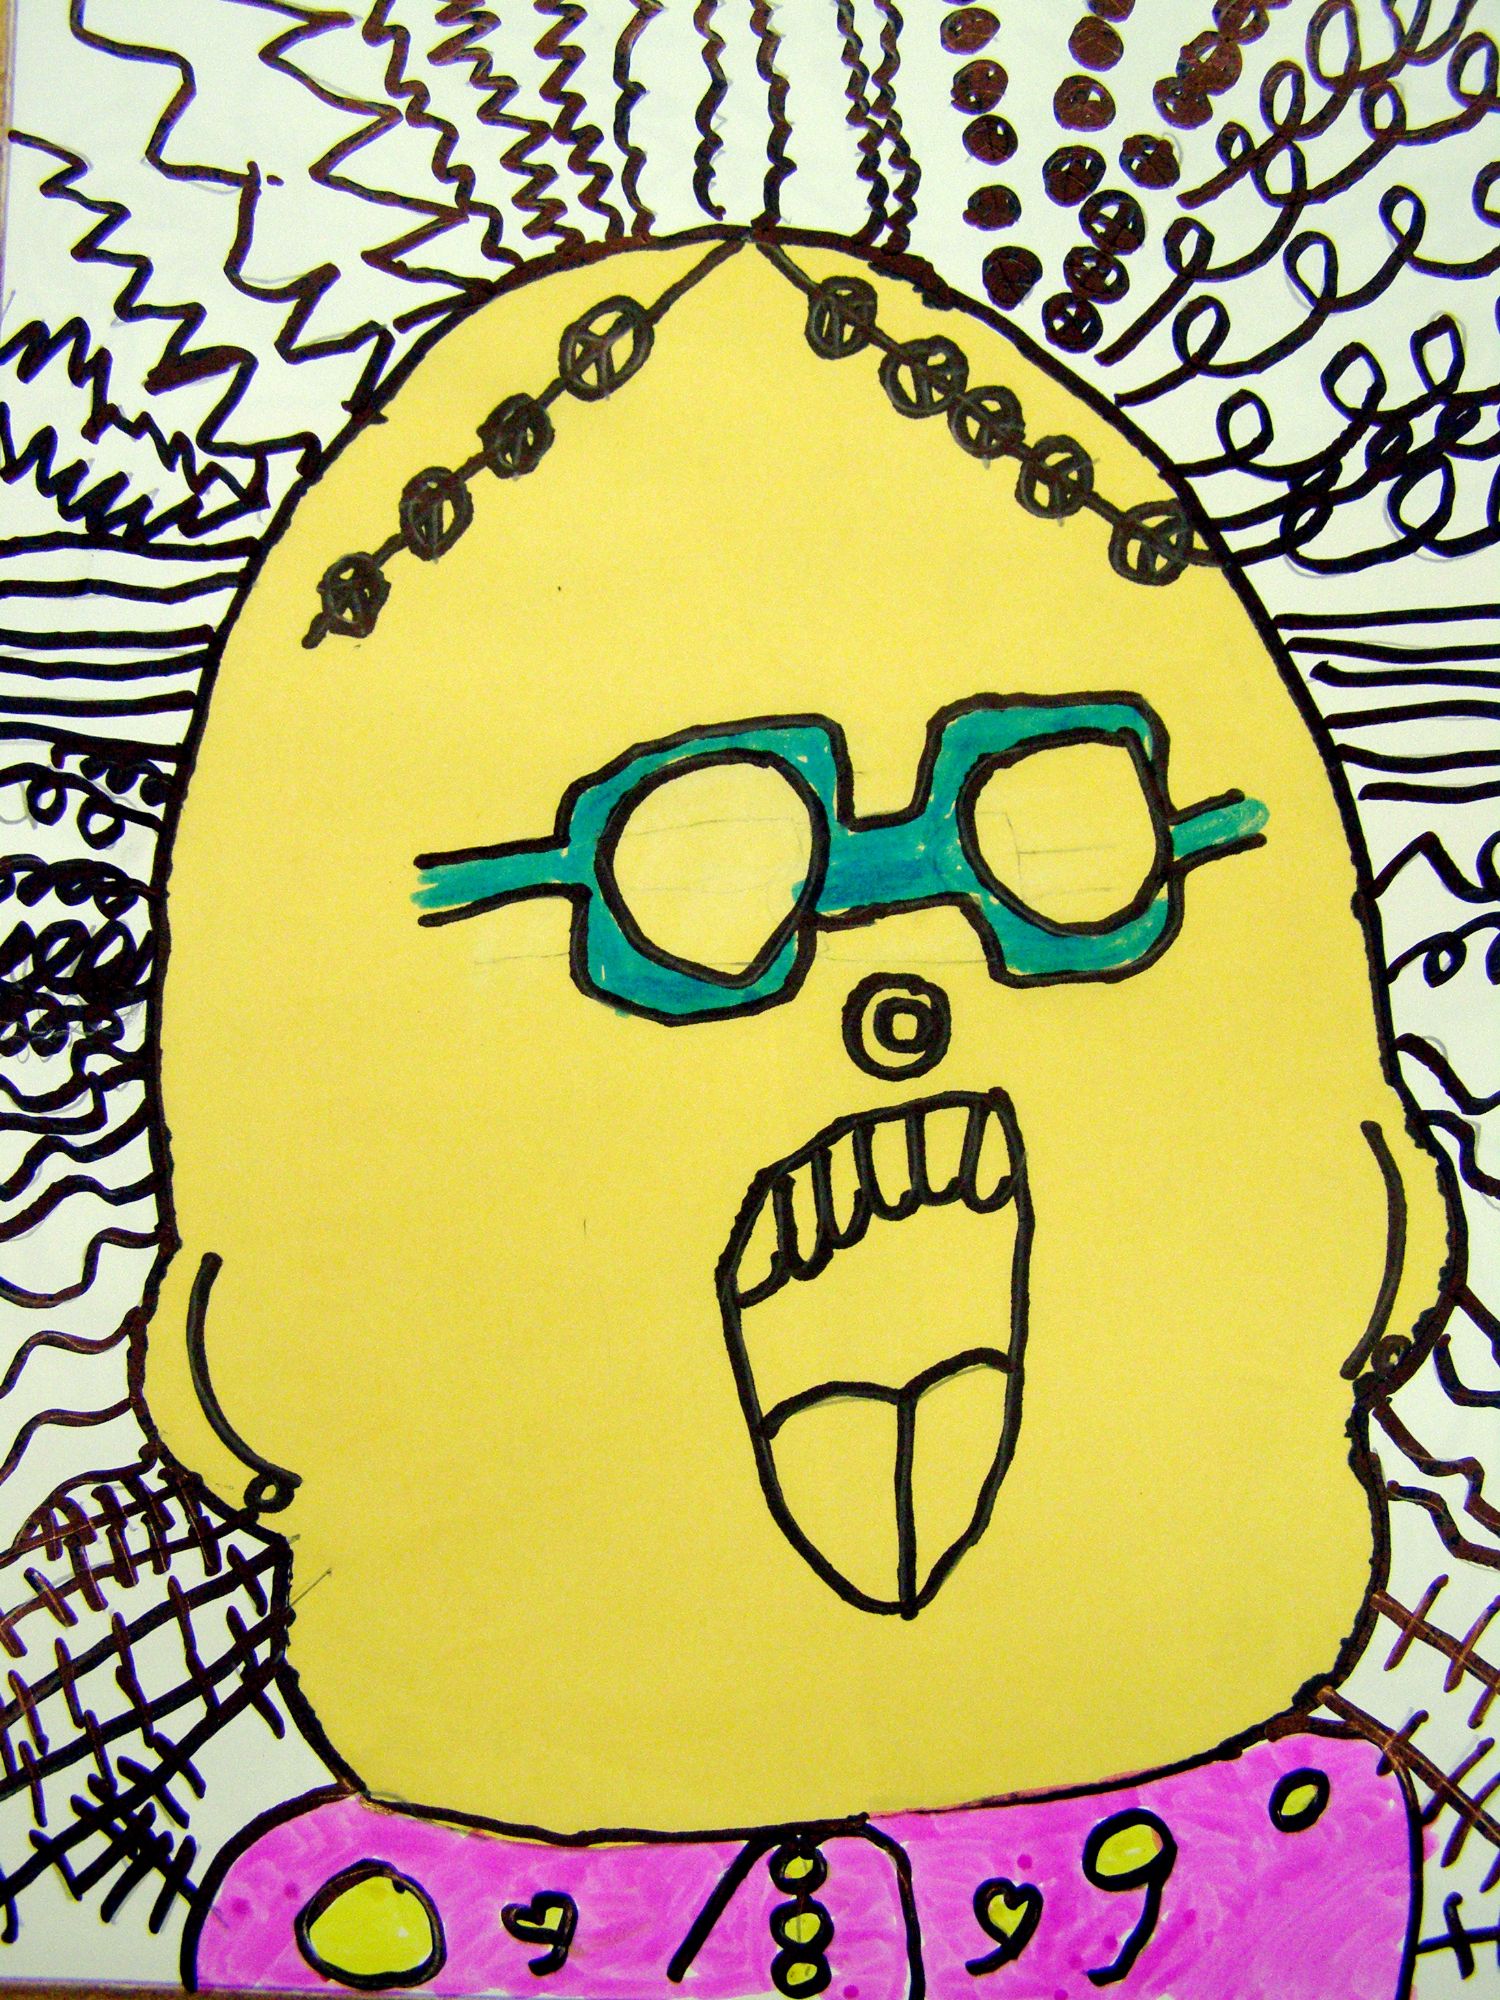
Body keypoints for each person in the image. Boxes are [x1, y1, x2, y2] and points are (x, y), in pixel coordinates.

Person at [152, 237, 1449, 1997]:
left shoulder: (1303, 1912)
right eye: (691, 881)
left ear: (1385, 1218)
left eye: (1066, 835)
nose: (899, 987)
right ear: (245, 1359)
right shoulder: (362, 1954)